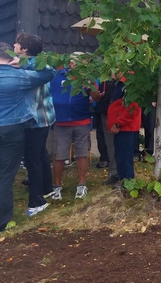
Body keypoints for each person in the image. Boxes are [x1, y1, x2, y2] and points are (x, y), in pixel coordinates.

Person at [0, 42, 56, 232]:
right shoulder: (20, 76)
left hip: (16, 127)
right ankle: (2, 220)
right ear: (10, 56)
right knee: (5, 175)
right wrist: (25, 63)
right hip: (13, 129)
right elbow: (49, 72)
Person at [13, 34, 56, 216]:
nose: (14, 45)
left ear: (25, 49)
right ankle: (47, 188)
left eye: (17, 43)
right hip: (42, 117)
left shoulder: (38, 65)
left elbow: (49, 70)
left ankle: (37, 201)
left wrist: (20, 64)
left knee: (32, 159)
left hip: (36, 119)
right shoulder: (34, 64)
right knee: (40, 154)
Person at [50, 57, 95, 200]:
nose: (76, 65)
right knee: (59, 154)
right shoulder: (56, 76)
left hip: (81, 120)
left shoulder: (86, 77)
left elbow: (96, 97)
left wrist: (91, 88)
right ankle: (57, 186)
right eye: (74, 62)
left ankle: (81, 185)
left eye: (81, 62)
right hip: (61, 121)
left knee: (82, 153)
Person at [107, 75, 141, 186]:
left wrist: (118, 123)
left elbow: (133, 107)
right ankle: (123, 180)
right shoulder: (120, 83)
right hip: (121, 127)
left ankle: (128, 183)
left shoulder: (129, 83)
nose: (112, 72)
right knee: (120, 156)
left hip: (126, 127)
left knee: (125, 157)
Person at [91, 78, 119, 184]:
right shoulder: (104, 77)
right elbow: (98, 96)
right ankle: (114, 173)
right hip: (106, 113)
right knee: (110, 145)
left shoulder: (123, 78)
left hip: (119, 117)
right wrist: (95, 91)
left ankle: (124, 175)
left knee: (121, 147)